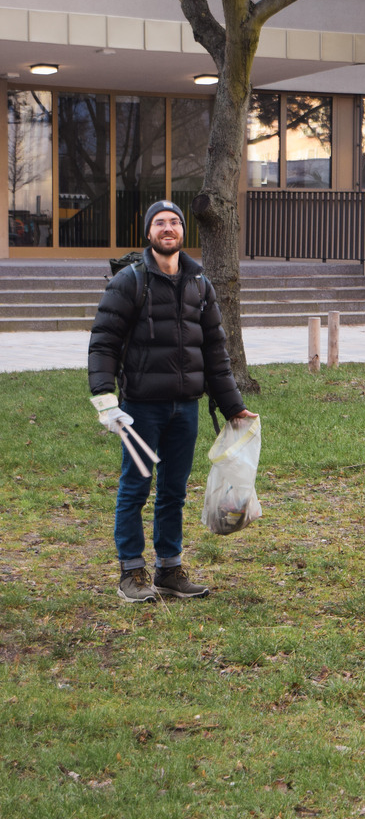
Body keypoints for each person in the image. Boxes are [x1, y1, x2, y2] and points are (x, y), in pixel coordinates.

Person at [88, 200, 256, 604]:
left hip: (185, 407)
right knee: (135, 487)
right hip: (140, 408)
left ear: (184, 232)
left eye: (175, 222)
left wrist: (232, 405)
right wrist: (105, 399)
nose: (168, 228)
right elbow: (104, 341)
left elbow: (215, 349)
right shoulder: (129, 281)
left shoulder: (200, 283)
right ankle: (131, 572)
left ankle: (168, 569)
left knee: (174, 491)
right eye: (160, 223)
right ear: (148, 233)